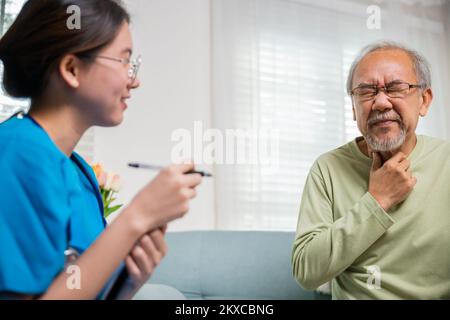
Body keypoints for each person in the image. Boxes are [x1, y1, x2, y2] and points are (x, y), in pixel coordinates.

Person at [0, 0, 202, 299]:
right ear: (72, 69)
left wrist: (128, 282)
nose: (134, 80)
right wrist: (137, 216)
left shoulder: (81, 173)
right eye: (124, 61)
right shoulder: (17, 151)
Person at [291, 41, 450, 299]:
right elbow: (307, 272)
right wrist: (377, 201)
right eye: (366, 91)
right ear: (354, 108)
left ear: (424, 100)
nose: (380, 102)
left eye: (396, 87)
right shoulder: (327, 169)